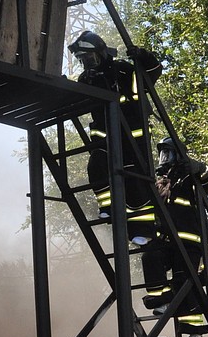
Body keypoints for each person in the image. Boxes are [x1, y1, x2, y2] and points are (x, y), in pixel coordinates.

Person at [67, 30, 161, 239]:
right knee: (96, 167)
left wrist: (143, 57)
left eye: (89, 58)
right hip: (104, 138)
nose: (87, 64)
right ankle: (108, 207)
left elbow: (153, 72)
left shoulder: (124, 70)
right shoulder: (87, 79)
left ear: (101, 53)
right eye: (83, 60)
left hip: (133, 139)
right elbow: (75, 100)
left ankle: (143, 231)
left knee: (136, 183)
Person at [142, 137, 208, 337]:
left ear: (179, 154)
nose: (164, 158)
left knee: (185, 282)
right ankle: (162, 300)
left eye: (169, 153)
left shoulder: (189, 177)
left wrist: (197, 167)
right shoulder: (159, 181)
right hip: (167, 240)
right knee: (150, 256)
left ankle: (194, 333)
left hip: (189, 241)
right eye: (162, 153)